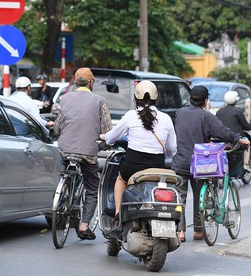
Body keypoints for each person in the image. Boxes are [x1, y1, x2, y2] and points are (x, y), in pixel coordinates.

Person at [171, 85, 250, 242]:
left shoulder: (180, 113)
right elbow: (223, 132)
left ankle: (180, 231)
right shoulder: (206, 116)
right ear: (206, 101)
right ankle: (199, 231)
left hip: (180, 162)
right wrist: (239, 139)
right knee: (201, 196)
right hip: (200, 164)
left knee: (180, 198)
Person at [100, 81, 177, 218]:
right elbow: (172, 149)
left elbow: (111, 138)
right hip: (157, 166)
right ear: (156, 99)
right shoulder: (166, 119)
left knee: (120, 179)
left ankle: (118, 213)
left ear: (135, 99)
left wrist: (104, 136)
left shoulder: (131, 116)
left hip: (132, 167)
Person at [54, 67, 113, 240]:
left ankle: (62, 193)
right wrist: (105, 142)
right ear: (91, 82)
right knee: (92, 188)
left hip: (65, 149)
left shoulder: (64, 99)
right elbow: (108, 130)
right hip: (88, 150)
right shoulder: (100, 100)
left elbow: (57, 127)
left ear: (75, 81)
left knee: (64, 172)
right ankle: (84, 225)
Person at [216, 90, 251, 175]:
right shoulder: (237, 112)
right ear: (235, 100)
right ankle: (246, 164)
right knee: (247, 143)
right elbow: (245, 126)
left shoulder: (219, 112)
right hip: (235, 141)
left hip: (221, 141)